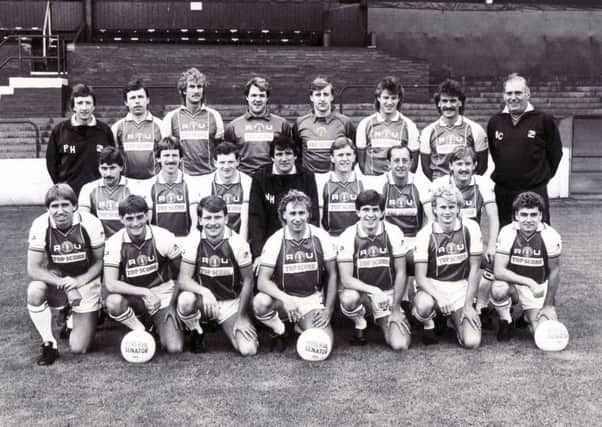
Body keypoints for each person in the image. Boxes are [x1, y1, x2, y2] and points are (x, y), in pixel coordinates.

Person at [26, 184, 105, 365]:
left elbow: (99, 262)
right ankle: (49, 344)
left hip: (85, 278)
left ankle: (85, 312)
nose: (60, 211)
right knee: (34, 291)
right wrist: (66, 284)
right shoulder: (40, 224)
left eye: (65, 205)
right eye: (54, 206)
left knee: (79, 347)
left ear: (74, 206)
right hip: (58, 278)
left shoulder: (91, 222)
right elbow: (34, 268)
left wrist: (77, 282)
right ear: (48, 209)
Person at [253, 190, 337, 351]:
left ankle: (300, 325)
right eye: (292, 213)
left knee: (323, 344)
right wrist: (285, 299)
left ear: (308, 214)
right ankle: (280, 329)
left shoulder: (321, 236)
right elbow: (262, 281)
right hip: (283, 301)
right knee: (260, 302)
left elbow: (333, 274)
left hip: (311, 300)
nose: (297, 218)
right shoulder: (275, 239)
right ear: (284, 215)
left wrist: (329, 309)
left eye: (301, 213)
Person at [177, 196, 257, 356]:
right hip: (204, 301)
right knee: (185, 300)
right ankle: (196, 330)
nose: (213, 223)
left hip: (230, 303)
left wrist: (241, 317)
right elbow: (183, 279)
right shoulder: (193, 240)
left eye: (217, 217)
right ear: (199, 220)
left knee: (248, 350)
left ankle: (222, 323)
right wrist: (204, 292)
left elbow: (248, 280)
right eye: (207, 218)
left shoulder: (238, 243)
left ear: (226, 218)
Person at [104, 195, 184, 354]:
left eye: (140, 217)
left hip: (162, 293)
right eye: (129, 218)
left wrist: (173, 305)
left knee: (174, 348)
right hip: (133, 294)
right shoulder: (114, 242)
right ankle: (141, 329)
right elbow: (111, 283)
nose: (135, 223)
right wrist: (145, 292)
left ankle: (158, 323)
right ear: (121, 219)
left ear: (147, 215)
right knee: (113, 301)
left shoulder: (163, 236)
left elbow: (182, 274)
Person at [427, 147, 500, 317]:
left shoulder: (483, 183)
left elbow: (493, 217)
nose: (464, 168)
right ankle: (433, 307)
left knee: (496, 260)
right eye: (459, 164)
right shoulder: (439, 184)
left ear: (475, 165)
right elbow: (431, 219)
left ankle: (481, 304)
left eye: (468, 163)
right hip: (444, 239)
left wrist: (492, 246)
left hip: (472, 240)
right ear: (451, 166)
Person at [337, 190, 411, 350]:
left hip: (387, 296)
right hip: (363, 295)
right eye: (365, 210)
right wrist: (374, 290)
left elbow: (401, 273)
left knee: (400, 345)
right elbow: (346, 279)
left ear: (382, 212)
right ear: (357, 212)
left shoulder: (393, 232)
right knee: (348, 298)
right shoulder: (348, 235)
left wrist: (396, 309)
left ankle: (381, 319)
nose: (370, 215)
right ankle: (360, 322)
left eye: (375, 210)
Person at [487, 73, 563, 226]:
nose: (513, 97)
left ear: (528, 94)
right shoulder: (495, 122)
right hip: (504, 192)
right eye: (509, 93)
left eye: (518, 93)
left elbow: (555, 153)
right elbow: (497, 154)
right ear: (503, 96)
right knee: (506, 239)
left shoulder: (544, 120)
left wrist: (541, 177)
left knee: (537, 236)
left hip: (534, 191)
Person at [412, 184, 482, 348]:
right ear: (434, 209)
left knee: (472, 342)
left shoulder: (471, 228)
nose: (447, 212)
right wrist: (439, 296)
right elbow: (420, 277)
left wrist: (468, 305)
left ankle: (452, 321)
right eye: (442, 207)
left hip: (460, 288)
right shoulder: (424, 234)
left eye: (452, 206)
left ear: (459, 208)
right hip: (432, 286)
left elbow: (474, 270)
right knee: (424, 305)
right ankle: (429, 322)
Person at [490, 192, 562, 342]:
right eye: (523, 214)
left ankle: (526, 317)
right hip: (513, 286)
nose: (528, 220)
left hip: (537, 289)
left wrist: (548, 305)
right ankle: (506, 320)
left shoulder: (550, 235)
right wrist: (529, 282)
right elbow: (498, 271)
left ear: (540, 215)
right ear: (516, 215)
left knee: (543, 333)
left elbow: (554, 270)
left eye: (533, 215)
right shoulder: (507, 232)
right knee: (498, 289)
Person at [248, 135, 319, 261]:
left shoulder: (307, 176)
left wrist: (309, 246)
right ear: (272, 157)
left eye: (288, 154)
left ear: (295, 156)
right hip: (269, 243)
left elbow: (313, 216)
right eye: (279, 154)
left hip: (300, 242)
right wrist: (258, 254)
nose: (284, 159)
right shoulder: (260, 177)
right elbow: (256, 218)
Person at [45, 84, 114, 196]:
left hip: (98, 194)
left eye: (88, 103)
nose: (84, 107)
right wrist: (62, 186)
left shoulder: (105, 131)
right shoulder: (59, 131)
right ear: (73, 107)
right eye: (80, 103)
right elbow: (52, 163)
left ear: (93, 106)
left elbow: (112, 161)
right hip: (69, 194)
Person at [420, 79, 489, 181]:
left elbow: (482, 165)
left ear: (460, 103)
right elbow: (426, 167)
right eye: (444, 101)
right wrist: (440, 183)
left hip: (466, 187)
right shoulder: (428, 131)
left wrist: (465, 183)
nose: (448, 105)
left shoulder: (476, 129)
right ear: (439, 103)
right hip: (440, 186)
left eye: (453, 101)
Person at [224, 76, 292, 176]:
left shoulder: (282, 124)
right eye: (254, 95)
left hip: (272, 178)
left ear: (267, 98)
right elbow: (228, 156)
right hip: (245, 177)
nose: (257, 99)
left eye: (261, 95)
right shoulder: (233, 126)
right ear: (247, 97)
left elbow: (290, 154)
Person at [161, 68, 224, 177]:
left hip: (209, 175)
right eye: (192, 87)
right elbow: (166, 151)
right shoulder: (171, 117)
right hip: (182, 177)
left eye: (199, 87)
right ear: (184, 90)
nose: (196, 91)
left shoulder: (214, 116)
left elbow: (220, 150)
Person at [356, 76, 419, 176]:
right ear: (378, 98)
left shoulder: (409, 125)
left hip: (397, 181)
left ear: (399, 99)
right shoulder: (365, 124)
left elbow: (413, 163)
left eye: (393, 98)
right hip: (372, 180)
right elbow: (361, 161)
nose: (389, 102)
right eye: (386, 97)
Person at [293, 76, 355, 173]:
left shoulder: (345, 122)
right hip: (309, 179)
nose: (322, 99)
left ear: (332, 97)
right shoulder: (300, 122)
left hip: (335, 178)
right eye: (318, 95)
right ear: (311, 97)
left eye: (326, 94)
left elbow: (353, 153)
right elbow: (297, 153)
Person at [196, 142, 252, 241]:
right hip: (213, 238)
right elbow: (204, 219)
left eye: (230, 162)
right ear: (215, 163)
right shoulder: (206, 183)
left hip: (238, 238)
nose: (226, 167)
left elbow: (246, 221)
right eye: (222, 162)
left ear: (237, 161)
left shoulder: (247, 182)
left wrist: (242, 245)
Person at [146, 137, 199, 240]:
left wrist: (190, 242)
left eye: (174, 155)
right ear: (158, 158)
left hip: (185, 241)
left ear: (181, 158)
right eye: (166, 155)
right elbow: (147, 222)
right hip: (159, 243)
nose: (170, 160)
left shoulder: (191, 183)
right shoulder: (149, 184)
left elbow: (195, 220)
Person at [111, 79, 163, 183]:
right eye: (132, 98)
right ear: (126, 102)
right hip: (126, 182)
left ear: (148, 99)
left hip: (154, 182)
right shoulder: (117, 128)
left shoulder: (160, 125)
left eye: (140, 97)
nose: (137, 101)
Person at [317, 137, 366, 237]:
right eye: (340, 155)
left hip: (356, 237)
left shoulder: (363, 182)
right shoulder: (322, 182)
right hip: (331, 237)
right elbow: (319, 217)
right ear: (332, 158)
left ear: (354, 157)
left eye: (348, 154)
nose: (345, 159)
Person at [78, 146, 132, 238]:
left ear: (121, 167)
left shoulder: (133, 188)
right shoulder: (88, 188)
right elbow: (84, 221)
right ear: (98, 168)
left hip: (127, 240)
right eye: (104, 168)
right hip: (99, 241)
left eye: (112, 168)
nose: (108, 174)